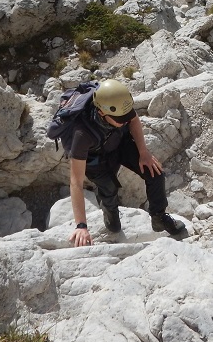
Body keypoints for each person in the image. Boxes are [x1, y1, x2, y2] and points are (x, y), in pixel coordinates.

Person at [68, 79, 187, 247]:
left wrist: (143, 152)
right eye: (120, 119)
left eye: (126, 115)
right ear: (102, 113)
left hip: (118, 143)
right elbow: (75, 182)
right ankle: (110, 214)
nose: (124, 120)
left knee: (155, 172)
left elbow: (133, 120)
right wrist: (81, 225)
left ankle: (159, 217)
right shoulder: (82, 134)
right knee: (109, 190)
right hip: (95, 159)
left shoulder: (119, 108)